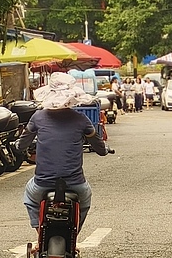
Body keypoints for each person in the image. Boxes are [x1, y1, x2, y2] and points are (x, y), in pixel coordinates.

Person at [16, 73, 109, 232]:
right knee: (85, 201)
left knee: (30, 198)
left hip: (42, 183)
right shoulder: (81, 120)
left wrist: (19, 146)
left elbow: (22, 143)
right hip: (75, 183)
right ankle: (74, 234)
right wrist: (104, 150)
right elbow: (99, 146)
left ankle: (39, 231)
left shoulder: (37, 117)